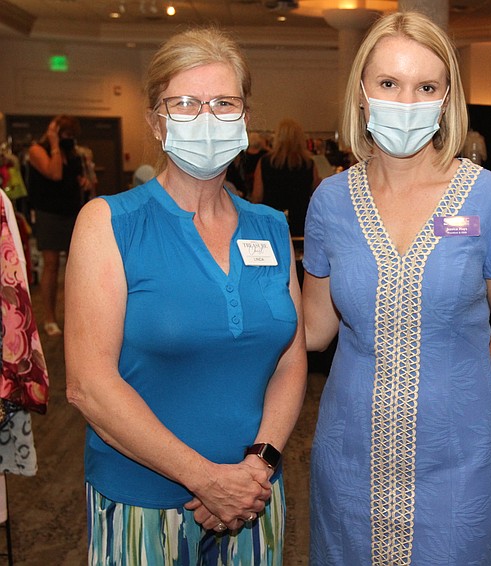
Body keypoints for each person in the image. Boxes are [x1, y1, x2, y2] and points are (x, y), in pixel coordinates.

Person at [64, 26, 307, 565]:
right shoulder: (109, 223)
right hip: (142, 503)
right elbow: (89, 385)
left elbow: (292, 360)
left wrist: (258, 465)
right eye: (186, 103)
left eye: (224, 102)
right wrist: (206, 479)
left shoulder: (269, 227)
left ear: (244, 119)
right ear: (157, 119)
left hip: (254, 496)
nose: (207, 118)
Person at [302, 11, 491, 565]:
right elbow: (314, 329)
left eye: (425, 86)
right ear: (361, 93)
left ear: (446, 96)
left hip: (458, 453)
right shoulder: (330, 202)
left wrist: (455, 390)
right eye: (388, 83)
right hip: (349, 449)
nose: (406, 101)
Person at [26, 114, 90, 336]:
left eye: (71, 135)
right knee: (51, 265)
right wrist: (53, 143)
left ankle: (76, 315)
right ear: (54, 132)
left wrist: (84, 182)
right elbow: (54, 173)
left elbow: (81, 179)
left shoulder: (72, 154)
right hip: (49, 214)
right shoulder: (37, 151)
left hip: (72, 213)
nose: (68, 139)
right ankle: (49, 318)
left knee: (76, 266)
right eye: (65, 134)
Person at [252, 118, 319, 237]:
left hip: (271, 221)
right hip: (300, 221)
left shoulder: (264, 162)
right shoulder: (309, 164)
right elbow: (317, 193)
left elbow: (257, 196)